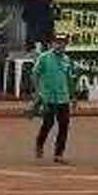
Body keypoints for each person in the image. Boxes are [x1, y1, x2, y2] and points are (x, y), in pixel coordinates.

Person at [32, 34, 76, 164]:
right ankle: (39, 144)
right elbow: (35, 74)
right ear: (52, 44)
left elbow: (69, 79)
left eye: (63, 43)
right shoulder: (44, 57)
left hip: (63, 97)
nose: (60, 45)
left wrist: (73, 96)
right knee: (48, 124)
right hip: (48, 97)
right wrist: (38, 92)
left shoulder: (67, 60)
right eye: (57, 42)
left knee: (64, 126)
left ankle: (59, 154)